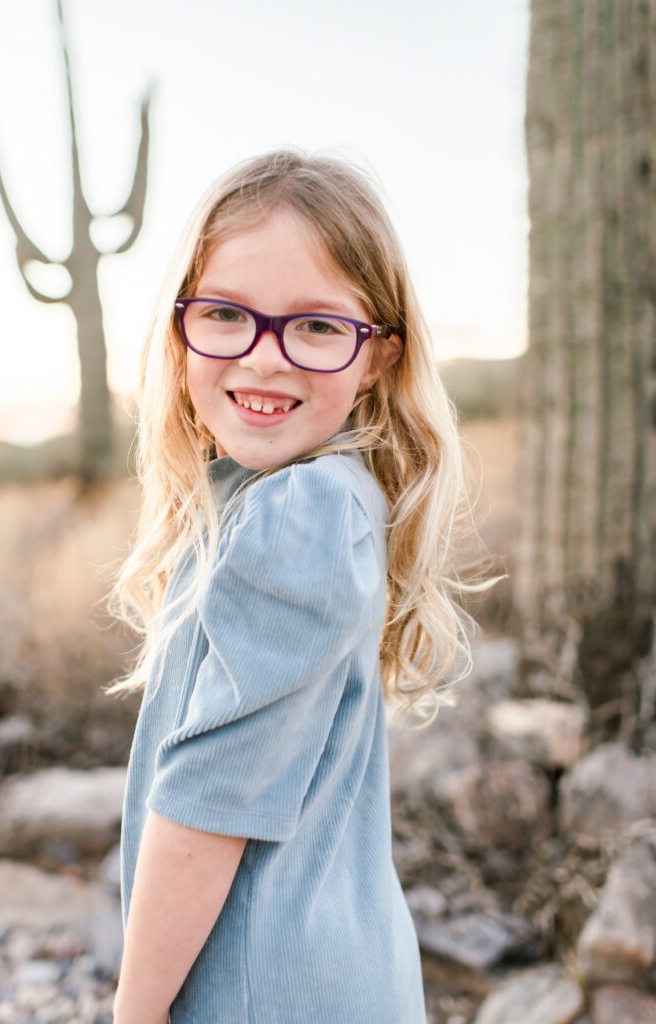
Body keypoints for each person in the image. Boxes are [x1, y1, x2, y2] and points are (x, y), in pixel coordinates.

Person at [103, 147, 503, 1024]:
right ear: (180, 331)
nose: (264, 358)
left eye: (317, 326)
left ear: (378, 357)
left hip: (263, 990)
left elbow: (207, 813)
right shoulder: (291, 500)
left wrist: (131, 1013)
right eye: (225, 315)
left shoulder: (303, 517)